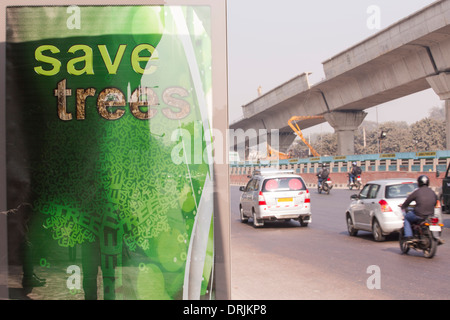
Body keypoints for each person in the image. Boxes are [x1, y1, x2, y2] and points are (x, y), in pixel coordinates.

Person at [401, 175, 437, 241]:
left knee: (406, 218)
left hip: (419, 215)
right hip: (430, 215)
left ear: (419, 183)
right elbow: (435, 203)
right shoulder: (432, 192)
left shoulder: (417, 192)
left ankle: (408, 236)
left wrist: (403, 206)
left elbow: (408, 201)